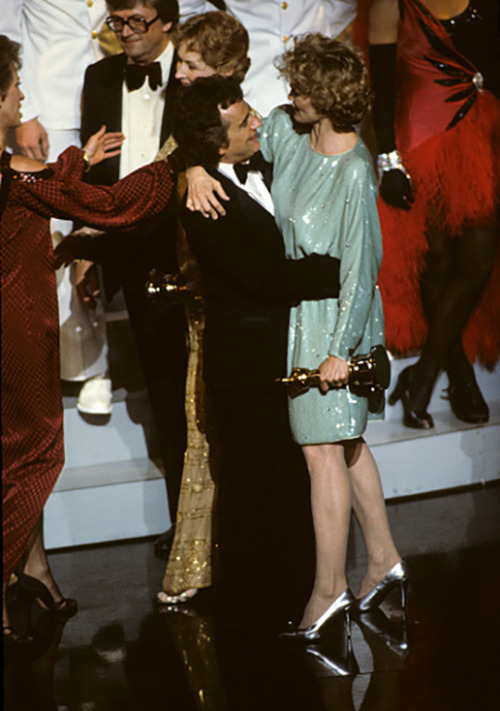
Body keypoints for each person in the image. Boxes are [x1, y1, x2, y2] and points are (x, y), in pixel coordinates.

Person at [187, 38, 406, 637]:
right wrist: (191, 167)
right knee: (347, 440)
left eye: (302, 90)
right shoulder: (286, 130)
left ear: (329, 98)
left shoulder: (356, 170)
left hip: (339, 324)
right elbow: (218, 136)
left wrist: (341, 349)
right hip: (297, 320)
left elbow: (361, 271)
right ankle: (384, 561)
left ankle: (329, 590)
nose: (288, 97)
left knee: (320, 449)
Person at [0, 34, 178, 645]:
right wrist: (173, 167)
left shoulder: (15, 174)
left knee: (8, 454)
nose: (23, 95)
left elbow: (40, 193)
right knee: (38, 451)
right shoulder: (16, 176)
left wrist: (77, 157)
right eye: (16, 87)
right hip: (19, 329)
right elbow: (108, 204)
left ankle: (35, 572)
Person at [174, 75, 346, 628]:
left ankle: (299, 597)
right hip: (245, 365)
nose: (258, 124)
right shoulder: (202, 202)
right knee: (251, 489)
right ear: (217, 146)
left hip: (284, 355)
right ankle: (252, 617)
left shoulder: (263, 162)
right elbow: (266, 278)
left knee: (289, 480)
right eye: (245, 122)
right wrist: (348, 269)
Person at [80, 0, 188, 555]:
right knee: (165, 394)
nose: (125, 34)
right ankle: (185, 525)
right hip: (131, 253)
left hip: (190, 252)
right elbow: (96, 178)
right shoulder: (99, 77)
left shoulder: (193, 70)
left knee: (207, 389)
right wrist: (87, 251)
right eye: (117, 23)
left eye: (136, 23)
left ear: (168, 21)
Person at [368, 0, 500, 428]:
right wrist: (389, 160)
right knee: (437, 261)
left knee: (479, 260)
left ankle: (423, 374)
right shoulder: (393, 3)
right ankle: (461, 379)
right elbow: (381, 85)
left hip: (482, 136)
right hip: (420, 141)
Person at [156, 10, 251, 606]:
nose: (181, 74)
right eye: (182, 63)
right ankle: (205, 558)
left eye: (192, 65)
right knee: (199, 418)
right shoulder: (193, 117)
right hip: (199, 291)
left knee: (221, 422)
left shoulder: (242, 122)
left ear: (230, 71)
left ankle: (226, 559)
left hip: (234, 294)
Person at [0, 0, 119, 416]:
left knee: (100, 222)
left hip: (110, 88)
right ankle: (89, 367)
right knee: (59, 239)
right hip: (48, 105)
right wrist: (25, 114)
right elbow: (7, 25)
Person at [179, 0, 359, 115]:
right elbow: (186, 6)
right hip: (253, 89)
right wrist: (225, 31)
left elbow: (346, 5)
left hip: (317, 93)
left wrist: (324, 28)